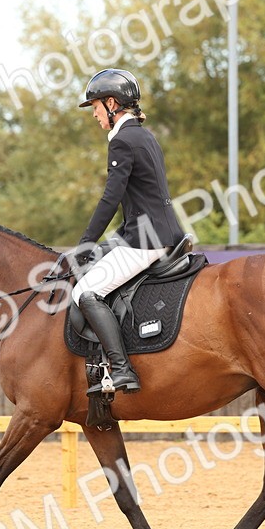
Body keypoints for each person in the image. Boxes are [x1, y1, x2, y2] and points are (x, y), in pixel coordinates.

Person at [72, 68, 186, 396]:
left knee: (86, 292)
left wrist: (85, 243)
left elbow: (111, 198)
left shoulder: (122, 140)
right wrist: (106, 244)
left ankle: (122, 370)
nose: (93, 114)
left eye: (95, 106)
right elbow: (137, 201)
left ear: (112, 103)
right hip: (147, 230)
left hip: (147, 239)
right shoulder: (144, 136)